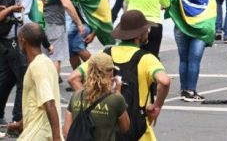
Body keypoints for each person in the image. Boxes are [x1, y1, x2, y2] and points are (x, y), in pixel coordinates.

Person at [68, 10, 171, 141]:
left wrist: (93, 101)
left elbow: (73, 78)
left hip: (106, 130)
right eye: (146, 29)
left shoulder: (104, 54)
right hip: (137, 131)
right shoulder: (146, 58)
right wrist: (157, 106)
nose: (148, 32)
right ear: (139, 35)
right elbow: (164, 81)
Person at [0, 0, 45, 130]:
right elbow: (22, 16)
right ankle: (18, 119)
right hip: (15, 40)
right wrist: (40, 36)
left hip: (3, 38)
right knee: (22, 80)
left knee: (6, 78)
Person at [167, 0, 216, 102]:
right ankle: (191, 90)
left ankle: (184, 90)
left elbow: (171, 1)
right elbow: (212, 8)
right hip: (200, 29)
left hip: (181, 29)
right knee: (194, 61)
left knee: (183, 60)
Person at [7, 23, 61, 141]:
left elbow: (49, 102)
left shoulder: (38, 66)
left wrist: (57, 138)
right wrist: (21, 124)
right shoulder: (45, 62)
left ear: (22, 39)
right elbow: (35, 102)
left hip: (37, 134)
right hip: (36, 131)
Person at [63, 52, 130, 140]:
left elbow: (66, 132)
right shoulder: (116, 99)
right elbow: (125, 128)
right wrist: (118, 92)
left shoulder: (77, 95)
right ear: (110, 72)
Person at [72, 0, 114, 64]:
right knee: (73, 48)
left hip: (91, 24)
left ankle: (99, 68)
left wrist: (93, 34)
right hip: (80, 21)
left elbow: (101, 18)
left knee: (76, 45)